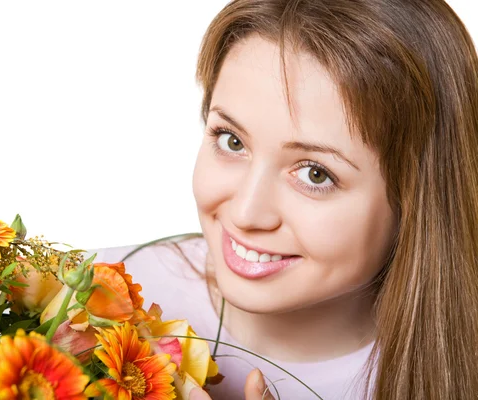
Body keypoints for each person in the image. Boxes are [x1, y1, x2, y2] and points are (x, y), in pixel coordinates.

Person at [91, 0, 478, 398]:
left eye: (315, 173)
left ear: (419, 202)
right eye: (232, 140)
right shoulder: (83, 303)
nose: (245, 213)